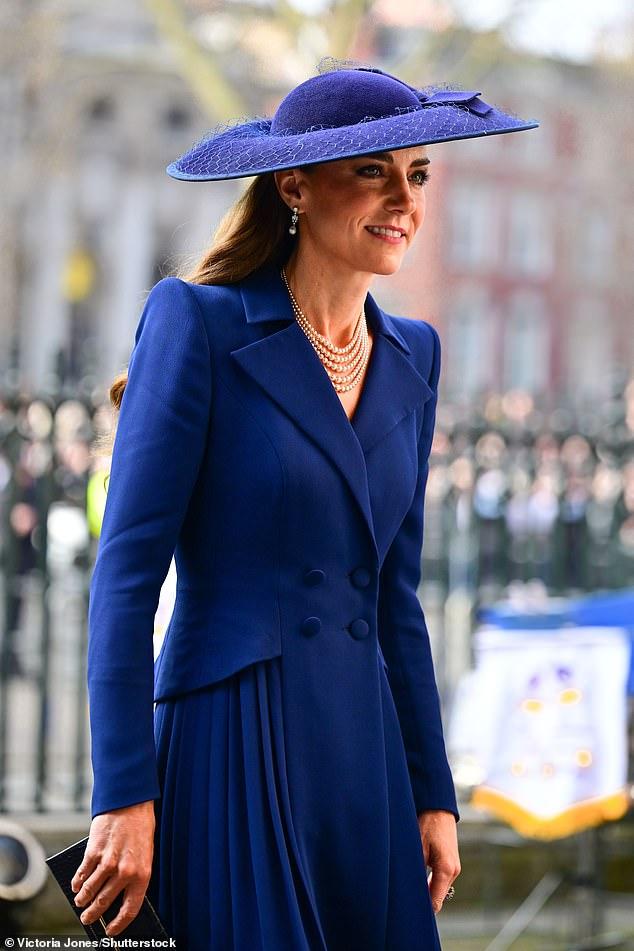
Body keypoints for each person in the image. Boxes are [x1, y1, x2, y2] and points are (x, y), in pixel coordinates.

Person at [70, 59, 539, 950]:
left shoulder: (417, 354)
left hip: (364, 758)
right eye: (373, 171)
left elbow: (395, 597)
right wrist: (123, 794)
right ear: (295, 185)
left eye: (418, 175)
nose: (404, 198)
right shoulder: (197, 323)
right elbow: (126, 581)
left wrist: (432, 792)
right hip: (231, 740)